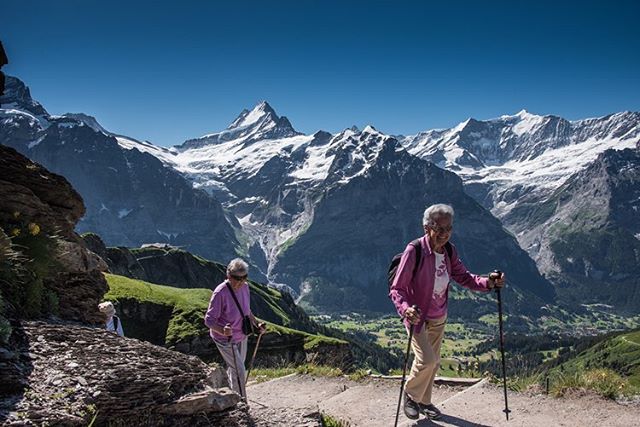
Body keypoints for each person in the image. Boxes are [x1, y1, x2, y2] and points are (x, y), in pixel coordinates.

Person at [389, 203, 505, 420]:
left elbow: (465, 277)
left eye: (448, 228)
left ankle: (424, 401)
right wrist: (405, 310)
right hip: (417, 318)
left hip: (439, 317)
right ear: (427, 227)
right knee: (427, 361)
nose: (444, 234)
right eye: (439, 228)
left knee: (434, 364)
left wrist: (488, 283)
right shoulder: (414, 251)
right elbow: (397, 288)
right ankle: (410, 395)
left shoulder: (449, 251)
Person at [204, 258, 266, 398]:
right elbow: (208, 320)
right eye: (237, 278)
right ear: (228, 276)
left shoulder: (245, 287)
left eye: (244, 277)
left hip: (241, 335)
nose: (240, 281)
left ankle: (231, 396)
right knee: (239, 371)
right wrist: (222, 330)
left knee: (236, 368)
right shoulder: (220, 293)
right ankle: (242, 403)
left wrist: (257, 324)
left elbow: (246, 310)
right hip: (226, 339)